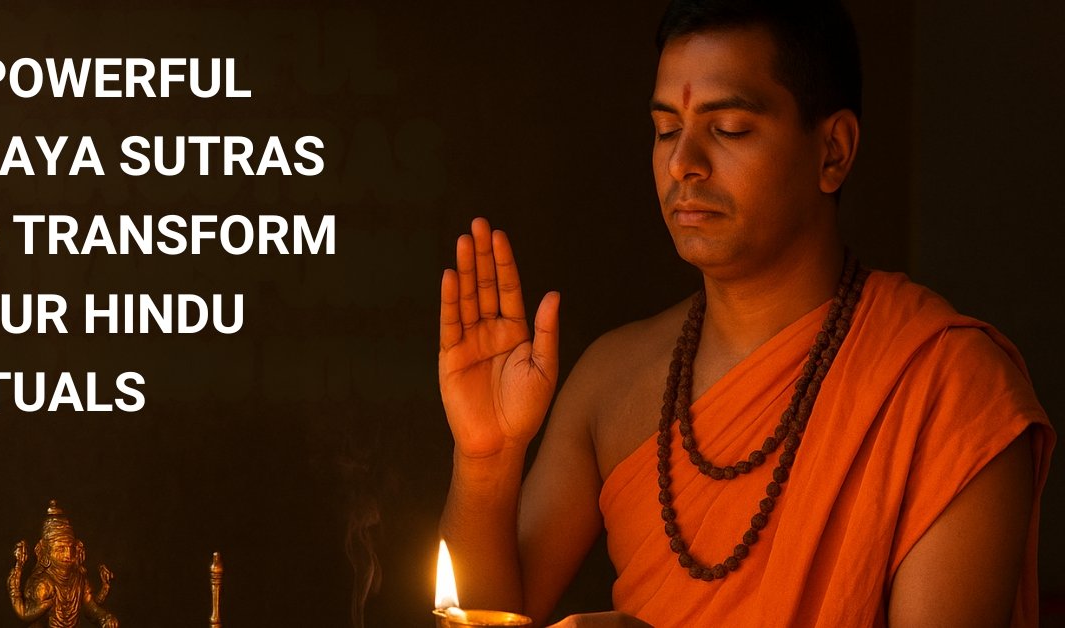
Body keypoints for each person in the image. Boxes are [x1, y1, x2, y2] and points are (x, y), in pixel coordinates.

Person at [436, 2, 1053, 627]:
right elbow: (488, 617)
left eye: (728, 128)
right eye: (666, 129)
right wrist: (486, 460)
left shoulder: (948, 389)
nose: (684, 163)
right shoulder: (611, 381)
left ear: (833, 151)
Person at [8, 501, 119, 628]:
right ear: (46, 552)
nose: (67, 554)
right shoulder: (44, 584)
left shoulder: (78, 579)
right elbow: (25, 615)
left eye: (70, 548)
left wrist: (105, 617)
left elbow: (90, 607)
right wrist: (18, 568)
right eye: (60, 549)